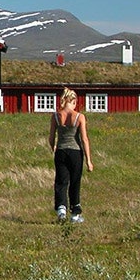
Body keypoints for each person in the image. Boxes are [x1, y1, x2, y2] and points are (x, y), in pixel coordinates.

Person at [48, 87, 94, 223]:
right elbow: (84, 139)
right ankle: (75, 213)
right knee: (75, 181)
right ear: (73, 101)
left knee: (61, 181)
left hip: (61, 151)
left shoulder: (56, 116)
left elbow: (51, 137)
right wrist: (88, 161)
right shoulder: (79, 117)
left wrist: (53, 147)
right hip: (75, 152)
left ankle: (61, 208)